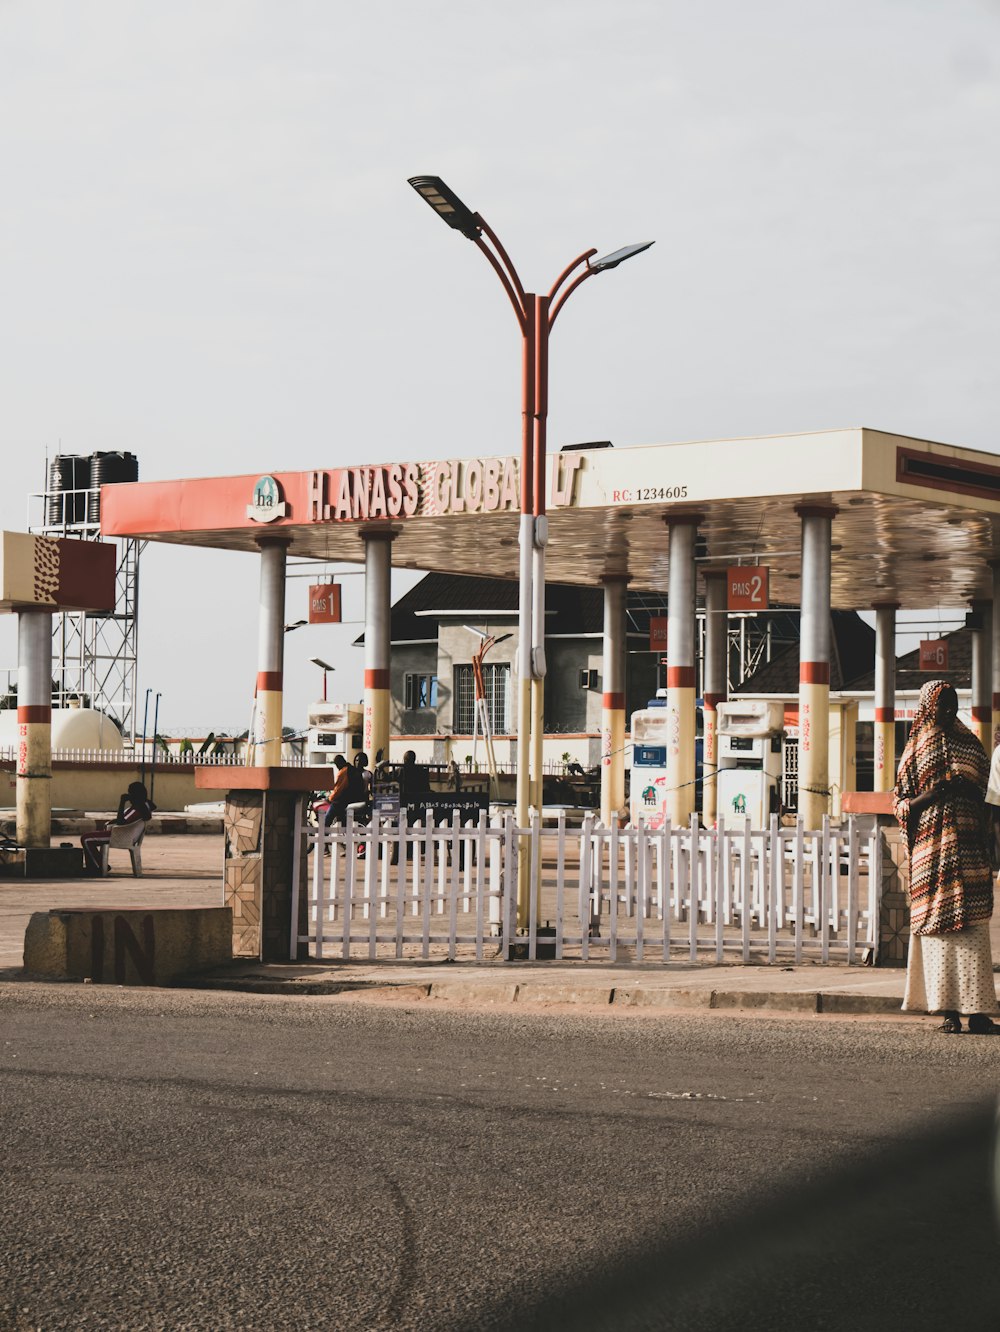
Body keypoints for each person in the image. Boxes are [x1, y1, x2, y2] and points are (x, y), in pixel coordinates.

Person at [893, 679, 999, 1034]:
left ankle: (980, 1012)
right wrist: (931, 795)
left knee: (973, 931)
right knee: (940, 934)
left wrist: (970, 790)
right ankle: (949, 1012)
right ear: (928, 707)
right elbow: (900, 803)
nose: (949, 709)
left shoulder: (970, 743)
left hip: (969, 850)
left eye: (953, 702)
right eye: (943, 703)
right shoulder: (915, 748)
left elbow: (991, 792)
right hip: (932, 853)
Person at [81, 781, 155, 875]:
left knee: (86, 838)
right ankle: (98, 865)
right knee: (89, 837)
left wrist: (122, 802)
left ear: (134, 795)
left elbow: (121, 822)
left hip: (121, 836)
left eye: (130, 793)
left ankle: (96, 867)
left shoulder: (137, 808)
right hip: (125, 834)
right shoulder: (144, 805)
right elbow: (152, 805)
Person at [323, 754, 368, 829]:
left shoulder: (343, 771)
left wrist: (329, 798)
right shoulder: (353, 769)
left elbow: (338, 789)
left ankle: (324, 832)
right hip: (357, 798)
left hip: (345, 800)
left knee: (329, 815)